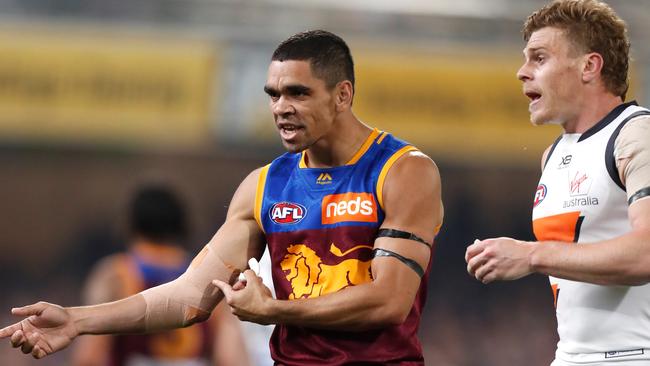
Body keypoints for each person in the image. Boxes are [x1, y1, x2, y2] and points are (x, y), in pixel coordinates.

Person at [0, 30, 443, 365]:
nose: (280, 108)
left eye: (298, 93)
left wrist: (274, 309)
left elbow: (390, 300)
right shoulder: (263, 185)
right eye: (274, 94)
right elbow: (189, 296)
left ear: (342, 94)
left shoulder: (404, 170)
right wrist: (78, 321)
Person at [465, 1, 650, 365]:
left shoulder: (636, 135)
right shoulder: (552, 156)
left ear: (589, 66)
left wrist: (532, 254)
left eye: (539, 58)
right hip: (571, 356)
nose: (522, 72)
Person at [71, 185, 249, 366]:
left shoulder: (117, 274)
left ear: (130, 224)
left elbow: (89, 357)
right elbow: (231, 358)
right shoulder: (208, 276)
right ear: (182, 225)